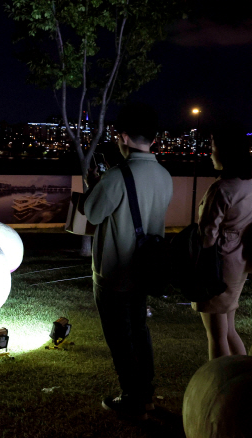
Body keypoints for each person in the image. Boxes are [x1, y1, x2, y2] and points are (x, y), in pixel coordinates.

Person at [83, 103, 173, 419]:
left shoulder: (118, 176)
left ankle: (132, 398)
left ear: (122, 137)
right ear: (155, 138)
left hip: (114, 272)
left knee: (120, 339)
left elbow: (92, 213)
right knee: (139, 331)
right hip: (145, 270)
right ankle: (145, 394)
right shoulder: (164, 175)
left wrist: (96, 184)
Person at [193, 123, 252, 360]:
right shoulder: (248, 183)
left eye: (213, 147)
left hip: (216, 264)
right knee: (228, 329)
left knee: (216, 335)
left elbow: (207, 233)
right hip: (237, 261)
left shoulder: (221, 188)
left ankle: (220, 385)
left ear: (225, 152)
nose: (211, 153)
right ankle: (244, 376)